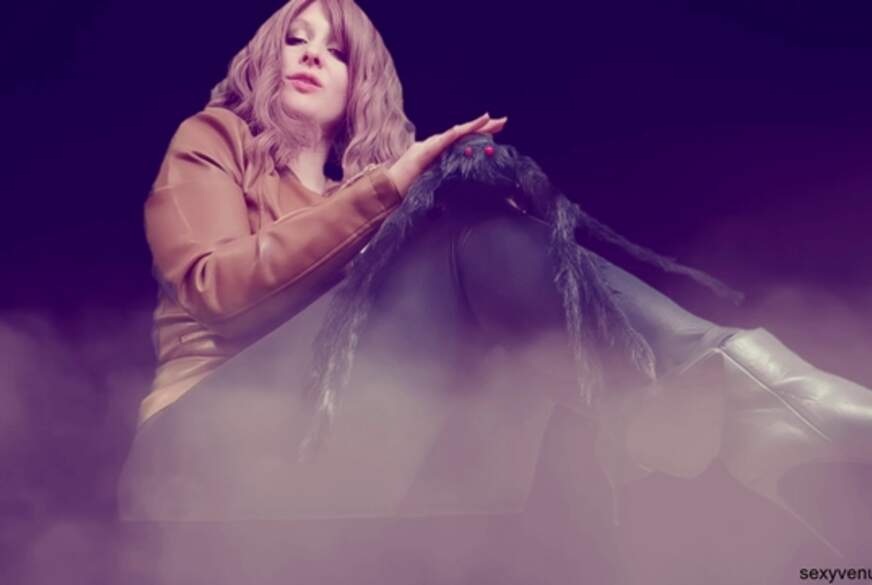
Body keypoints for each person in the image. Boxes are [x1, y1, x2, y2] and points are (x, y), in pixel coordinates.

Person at [117, 1, 872, 583]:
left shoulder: (370, 198)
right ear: (265, 58)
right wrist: (393, 193)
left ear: (359, 84)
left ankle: (733, 468)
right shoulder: (214, 140)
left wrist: (483, 220)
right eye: (296, 39)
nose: (313, 54)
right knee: (466, 249)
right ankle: (758, 399)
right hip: (200, 440)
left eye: (337, 50)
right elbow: (216, 288)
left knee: (514, 301)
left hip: (336, 438)